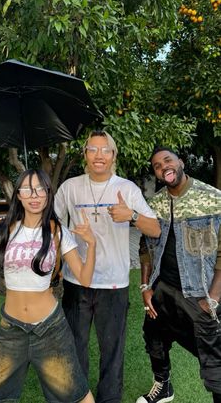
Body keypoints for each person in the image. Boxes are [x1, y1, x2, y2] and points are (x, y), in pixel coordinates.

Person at [54, 129, 161, 403]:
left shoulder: (126, 188)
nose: (99, 155)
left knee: (112, 350)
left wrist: (132, 215)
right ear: (85, 155)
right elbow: (52, 225)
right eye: (92, 149)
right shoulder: (70, 187)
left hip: (113, 284)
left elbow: (156, 230)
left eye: (105, 150)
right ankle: (75, 397)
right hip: (76, 280)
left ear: (113, 155)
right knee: (73, 347)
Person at [0, 169, 96, 403]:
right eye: (27, 189)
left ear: (48, 194)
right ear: (18, 195)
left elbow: (84, 278)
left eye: (40, 189)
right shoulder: (6, 230)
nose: (34, 195)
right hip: (11, 329)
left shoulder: (58, 232)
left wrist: (92, 244)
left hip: (50, 329)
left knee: (76, 395)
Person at [136, 147, 221, 403]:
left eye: (168, 161)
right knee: (153, 335)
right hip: (163, 287)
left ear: (181, 162)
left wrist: (214, 298)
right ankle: (163, 386)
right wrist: (145, 286)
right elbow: (145, 248)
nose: (163, 168)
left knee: (214, 358)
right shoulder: (156, 203)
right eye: (157, 166)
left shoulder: (212, 198)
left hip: (200, 293)